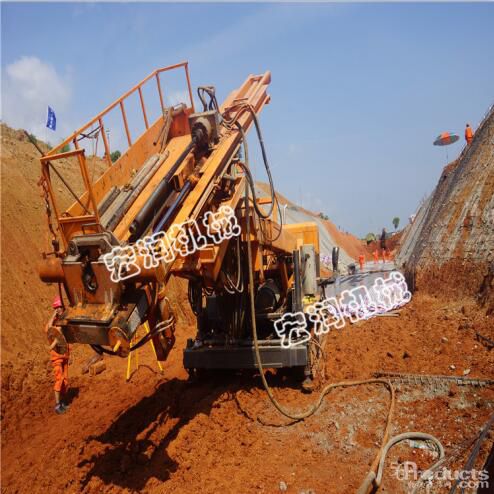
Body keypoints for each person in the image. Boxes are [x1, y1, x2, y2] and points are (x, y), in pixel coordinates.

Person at [45, 296, 70, 414]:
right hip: (56, 356)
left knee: (64, 380)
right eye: (57, 307)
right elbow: (49, 330)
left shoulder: (65, 321)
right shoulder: (54, 322)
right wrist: (53, 315)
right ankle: (57, 405)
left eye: (60, 307)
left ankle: (62, 402)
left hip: (65, 355)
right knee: (59, 379)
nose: (59, 309)